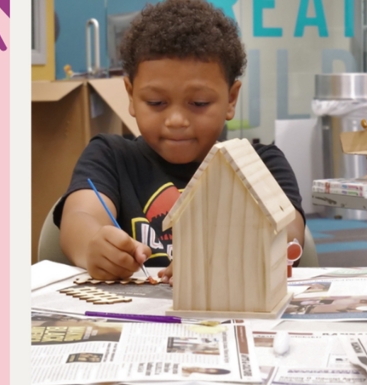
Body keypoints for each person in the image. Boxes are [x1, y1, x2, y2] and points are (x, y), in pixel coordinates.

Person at [53, 0, 305, 281]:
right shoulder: (110, 156)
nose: (176, 120)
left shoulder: (262, 163)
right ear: (131, 94)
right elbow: (79, 219)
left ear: (231, 99)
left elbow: (290, 233)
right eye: (156, 102)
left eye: (198, 103)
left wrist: (229, 256)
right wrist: (93, 246)